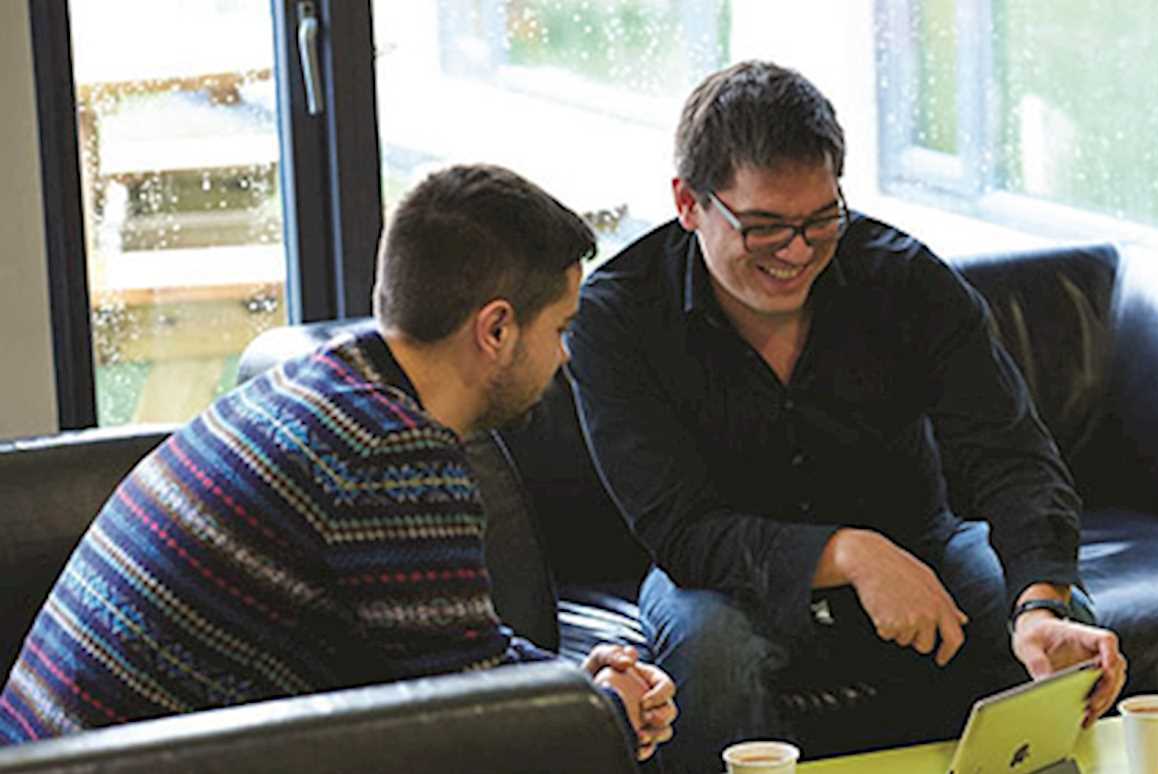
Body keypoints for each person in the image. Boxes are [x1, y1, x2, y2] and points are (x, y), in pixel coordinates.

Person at [0, 164, 676, 763]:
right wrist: (608, 715)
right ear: (496, 329)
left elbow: (458, 656)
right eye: (560, 329)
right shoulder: (392, 451)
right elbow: (485, 729)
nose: (564, 360)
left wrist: (582, 685)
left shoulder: (321, 384)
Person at [565, 61, 1126, 773]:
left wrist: (1039, 605)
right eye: (764, 227)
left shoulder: (906, 279)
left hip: (921, 542)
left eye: (822, 220)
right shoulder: (618, 317)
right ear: (688, 202)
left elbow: (1011, 454)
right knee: (710, 647)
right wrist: (851, 553)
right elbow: (681, 529)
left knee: (1056, 620)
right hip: (722, 577)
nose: (797, 253)